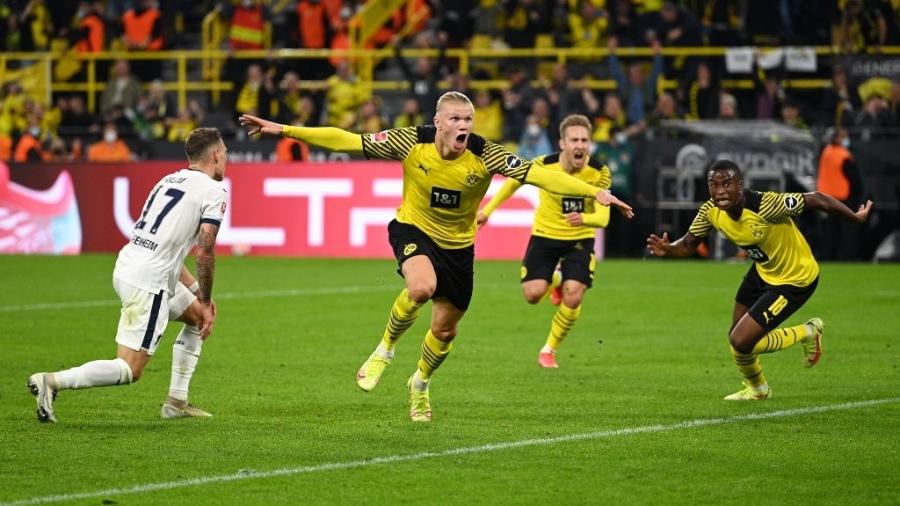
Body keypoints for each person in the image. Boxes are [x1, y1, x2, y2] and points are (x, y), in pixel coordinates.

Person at [239, 92, 634, 422]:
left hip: (459, 248)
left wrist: (593, 193)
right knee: (421, 286)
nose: (464, 125)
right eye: (456, 118)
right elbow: (347, 139)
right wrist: (285, 129)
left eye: (469, 118)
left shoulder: (486, 155)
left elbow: (536, 173)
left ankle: (420, 384)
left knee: (445, 331)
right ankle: (385, 349)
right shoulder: (411, 141)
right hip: (413, 229)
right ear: (439, 121)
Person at [27, 127, 229, 422]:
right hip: (150, 281)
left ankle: (176, 402)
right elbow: (206, 249)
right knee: (130, 369)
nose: (226, 158)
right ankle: (52, 381)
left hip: (129, 265)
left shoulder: (167, 180)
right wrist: (209, 295)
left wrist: (200, 294)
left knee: (198, 316)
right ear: (215, 154)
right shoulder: (214, 189)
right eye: (224, 152)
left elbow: (166, 249)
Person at [646, 160, 873, 401]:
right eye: (714, 185)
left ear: (740, 186)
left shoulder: (767, 206)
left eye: (727, 184)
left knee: (741, 341)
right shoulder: (710, 211)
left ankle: (809, 331)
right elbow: (689, 245)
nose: (720, 190)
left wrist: (855, 218)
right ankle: (758, 389)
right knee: (737, 338)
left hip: (795, 277)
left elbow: (817, 198)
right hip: (764, 269)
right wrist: (669, 249)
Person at [476, 114, 613, 368]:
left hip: (579, 240)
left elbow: (603, 217)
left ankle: (548, 350)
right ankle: (556, 279)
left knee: (574, 297)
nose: (580, 145)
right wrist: (487, 210)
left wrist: (583, 218)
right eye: (574, 140)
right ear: (562, 143)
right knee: (532, 294)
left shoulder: (599, 173)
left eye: (585, 140)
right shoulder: (543, 165)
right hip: (545, 236)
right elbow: (512, 184)